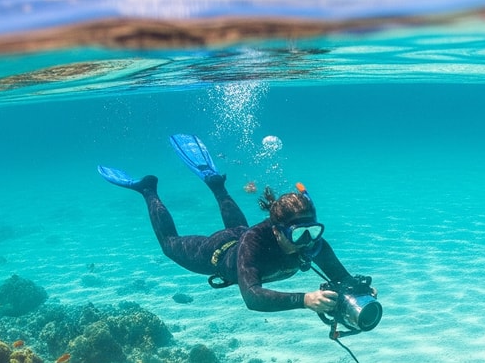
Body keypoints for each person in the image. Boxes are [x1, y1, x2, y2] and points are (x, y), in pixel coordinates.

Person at [98, 134, 361, 316]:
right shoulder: (255, 243)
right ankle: (147, 190)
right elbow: (252, 297)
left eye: (312, 231)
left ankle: (216, 184)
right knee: (169, 245)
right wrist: (304, 300)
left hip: (241, 235)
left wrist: (358, 289)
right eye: (297, 234)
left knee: (240, 228)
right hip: (216, 252)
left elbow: (341, 276)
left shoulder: (313, 243)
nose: (307, 241)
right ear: (276, 230)